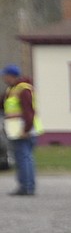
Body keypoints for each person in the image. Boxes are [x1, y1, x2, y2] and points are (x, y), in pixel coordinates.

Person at [3, 64, 41, 196]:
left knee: (24, 158)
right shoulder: (12, 90)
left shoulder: (23, 90)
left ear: (11, 76)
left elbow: (28, 111)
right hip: (17, 129)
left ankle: (26, 186)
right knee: (25, 158)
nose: (3, 78)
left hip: (23, 129)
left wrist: (26, 129)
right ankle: (27, 185)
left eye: (5, 76)